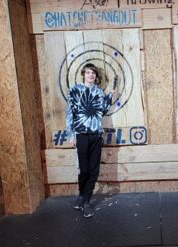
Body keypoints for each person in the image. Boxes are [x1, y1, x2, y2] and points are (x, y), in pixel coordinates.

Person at [66, 63, 114, 218]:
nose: (90, 75)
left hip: (96, 135)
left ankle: (86, 202)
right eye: (88, 72)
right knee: (84, 170)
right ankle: (81, 194)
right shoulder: (74, 90)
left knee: (94, 170)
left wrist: (110, 96)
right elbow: (69, 113)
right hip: (81, 135)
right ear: (83, 74)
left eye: (93, 73)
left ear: (96, 76)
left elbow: (102, 110)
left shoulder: (99, 92)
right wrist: (71, 134)